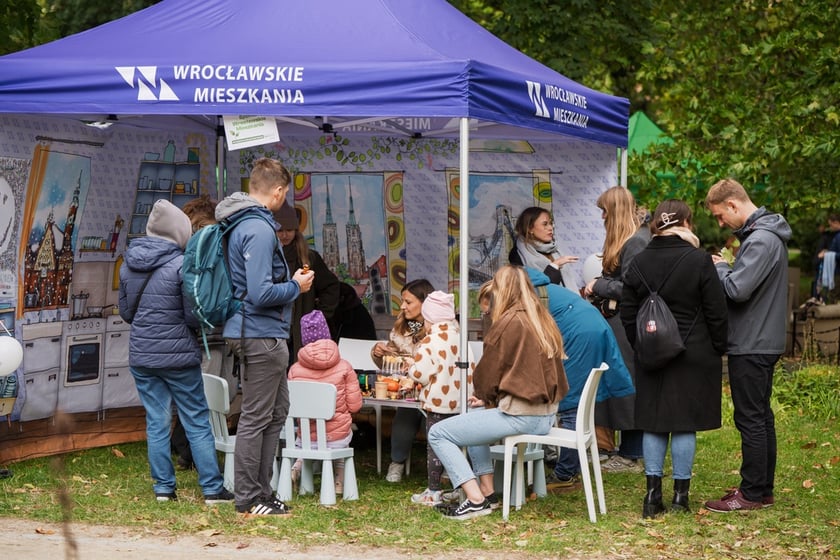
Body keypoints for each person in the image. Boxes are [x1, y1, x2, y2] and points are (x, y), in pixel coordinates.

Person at [428, 265, 569, 520]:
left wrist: (484, 394)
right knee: (475, 412)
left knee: (438, 433)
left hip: (522, 415)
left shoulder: (508, 322)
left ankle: (475, 499)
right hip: (546, 415)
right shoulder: (542, 319)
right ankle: (488, 492)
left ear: (501, 291)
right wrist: (485, 400)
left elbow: (485, 374)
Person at [215, 157, 314, 516]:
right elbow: (258, 292)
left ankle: (263, 490)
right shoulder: (257, 228)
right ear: (278, 191)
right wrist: (295, 285)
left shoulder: (242, 222)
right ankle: (250, 496)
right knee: (257, 416)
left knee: (276, 411)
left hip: (258, 331)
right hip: (259, 333)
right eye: (284, 193)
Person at [118, 199, 232, 505]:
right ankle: (212, 488)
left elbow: (126, 312)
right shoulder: (182, 265)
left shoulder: (128, 264)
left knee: (156, 421)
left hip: (142, 355)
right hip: (179, 355)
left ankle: (163, 490)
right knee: (195, 418)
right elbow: (194, 315)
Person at [620, 200, 728, 517]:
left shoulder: (638, 261)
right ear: (684, 222)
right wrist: (718, 348)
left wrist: (642, 345)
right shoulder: (698, 261)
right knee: (684, 425)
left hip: (651, 353)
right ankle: (681, 498)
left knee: (653, 423)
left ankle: (652, 497)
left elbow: (628, 313)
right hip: (693, 353)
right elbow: (716, 312)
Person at [703, 178, 791, 512]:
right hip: (762, 338)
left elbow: (738, 290)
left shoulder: (761, 240)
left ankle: (752, 494)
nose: (721, 223)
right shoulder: (766, 236)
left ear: (733, 205)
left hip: (752, 341)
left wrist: (722, 267)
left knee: (751, 419)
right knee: (761, 417)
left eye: (720, 216)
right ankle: (761, 489)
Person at [524, 267, 635, 489]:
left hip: (581, 334)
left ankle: (566, 473)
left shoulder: (524, 294)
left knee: (570, 403)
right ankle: (569, 462)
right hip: (590, 327)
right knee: (574, 401)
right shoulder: (540, 287)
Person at [583, 186, 649, 473]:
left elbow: (634, 287)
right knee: (621, 383)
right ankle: (625, 450)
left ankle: (632, 454)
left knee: (628, 385)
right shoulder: (631, 240)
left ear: (615, 212)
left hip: (628, 323)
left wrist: (598, 285)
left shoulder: (635, 242)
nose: (602, 217)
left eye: (604, 211)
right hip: (618, 322)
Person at [406, 291, 474, 506]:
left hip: (438, 403)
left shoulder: (430, 341)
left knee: (435, 448)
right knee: (460, 447)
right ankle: (460, 486)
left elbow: (421, 374)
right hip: (462, 401)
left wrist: (411, 369)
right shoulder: (461, 337)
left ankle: (434, 490)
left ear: (430, 320)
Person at [287, 310, 362, 496]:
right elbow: (355, 406)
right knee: (343, 443)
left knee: (306, 443)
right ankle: (338, 483)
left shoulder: (295, 370)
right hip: (337, 438)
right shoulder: (344, 366)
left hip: (305, 438)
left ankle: (296, 467)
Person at [171, 193, 220, 471]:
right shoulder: (189, 257)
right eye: (200, 228)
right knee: (201, 397)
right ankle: (187, 450)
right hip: (202, 336)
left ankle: (185, 449)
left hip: (211, 336)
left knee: (202, 396)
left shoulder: (195, 252)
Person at [370, 278, 435, 482]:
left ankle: (440, 469)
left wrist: (414, 364)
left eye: (408, 302)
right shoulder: (402, 328)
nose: (403, 306)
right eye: (403, 301)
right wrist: (379, 354)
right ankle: (396, 463)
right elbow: (391, 365)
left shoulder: (439, 329)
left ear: (425, 303)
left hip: (434, 391)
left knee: (433, 423)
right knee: (404, 417)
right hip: (407, 391)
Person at [274, 202, 340, 361]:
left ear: (296, 231)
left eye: (289, 230)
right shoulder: (267, 256)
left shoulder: (308, 258)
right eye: (280, 231)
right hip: (275, 328)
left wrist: (320, 314)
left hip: (300, 327)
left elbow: (331, 286)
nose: (285, 235)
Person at [508, 206, 579, 290]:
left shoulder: (555, 250)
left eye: (551, 223)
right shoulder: (517, 255)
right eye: (545, 224)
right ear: (530, 228)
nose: (550, 228)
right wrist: (554, 266)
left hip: (568, 300)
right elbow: (534, 288)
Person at [815, 214, 840, 303]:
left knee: (833, 296)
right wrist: (827, 251)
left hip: (838, 272)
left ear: (836, 222)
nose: (830, 227)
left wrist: (827, 254)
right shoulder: (837, 235)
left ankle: (833, 316)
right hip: (835, 271)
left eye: (831, 224)